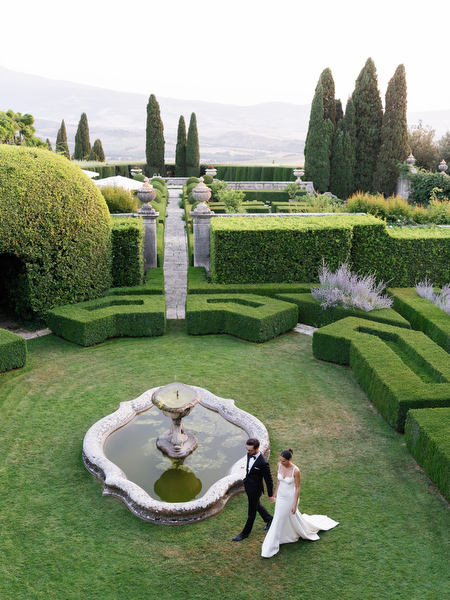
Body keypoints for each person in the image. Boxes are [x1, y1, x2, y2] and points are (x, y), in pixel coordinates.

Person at [261, 449, 339, 558]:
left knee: (278, 519)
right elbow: (279, 481)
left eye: (284, 461)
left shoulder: (296, 470)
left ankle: (270, 547)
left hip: (289, 498)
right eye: (280, 460)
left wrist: (294, 504)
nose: (281, 462)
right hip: (280, 498)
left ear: (289, 460)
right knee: (282, 517)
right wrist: (274, 494)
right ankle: (289, 534)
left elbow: (297, 488)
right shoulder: (279, 465)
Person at [232, 438, 274, 541]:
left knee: (251, 513)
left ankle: (245, 533)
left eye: (250, 450)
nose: (248, 452)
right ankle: (269, 519)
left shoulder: (263, 463)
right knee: (257, 505)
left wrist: (270, 494)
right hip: (248, 486)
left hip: (255, 490)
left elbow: (269, 480)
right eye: (247, 449)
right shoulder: (249, 454)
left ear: (257, 448)